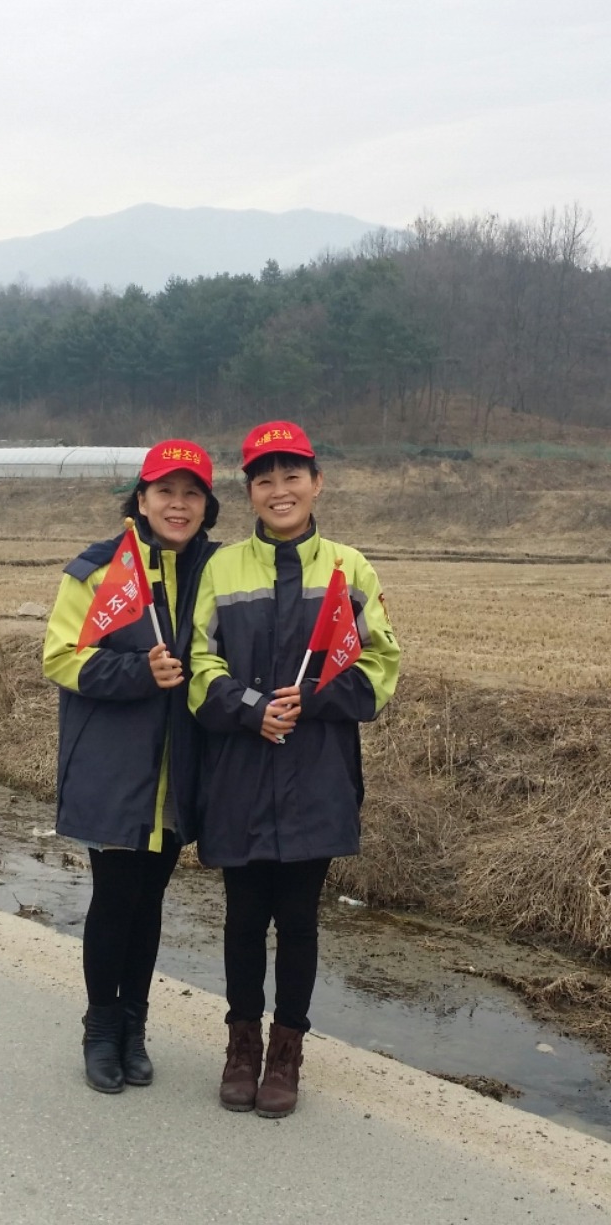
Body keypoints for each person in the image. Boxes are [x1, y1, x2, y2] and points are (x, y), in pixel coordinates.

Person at [189, 420, 400, 1118]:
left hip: (317, 775)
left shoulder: (349, 568)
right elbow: (199, 665)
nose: (279, 490)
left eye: (292, 476)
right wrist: (251, 708)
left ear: (317, 483)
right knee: (244, 918)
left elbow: (381, 665)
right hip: (239, 774)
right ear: (249, 491)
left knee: (300, 921)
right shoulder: (223, 569)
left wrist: (311, 699)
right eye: (264, 479)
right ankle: (240, 1048)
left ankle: (287, 1055)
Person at [43, 440, 219, 1094]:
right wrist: (137, 671)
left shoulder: (216, 573)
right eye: (165, 491)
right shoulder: (99, 570)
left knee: (150, 901)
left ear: (207, 505)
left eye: (192, 493)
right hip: (115, 767)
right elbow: (61, 657)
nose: (178, 505)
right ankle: (100, 1030)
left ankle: (134, 1028)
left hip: (180, 767)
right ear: (141, 500)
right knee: (115, 897)